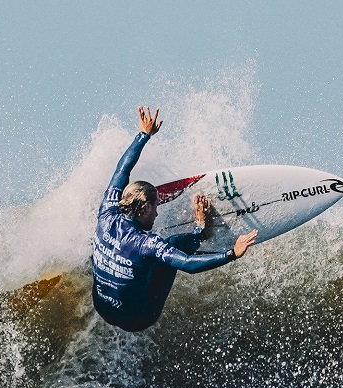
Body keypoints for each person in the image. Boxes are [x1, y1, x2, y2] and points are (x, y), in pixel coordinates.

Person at [91, 106, 259, 332]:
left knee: (138, 259)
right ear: (146, 207)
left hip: (102, 307)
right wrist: (232, 254)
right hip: (138, 319)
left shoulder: (107, 211)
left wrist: (143, 135)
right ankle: (202, 232)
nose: (157, 213)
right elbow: (188, 264)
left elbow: (121, 171)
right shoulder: (146, 243)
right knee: (173, 245)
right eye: (156, 207)